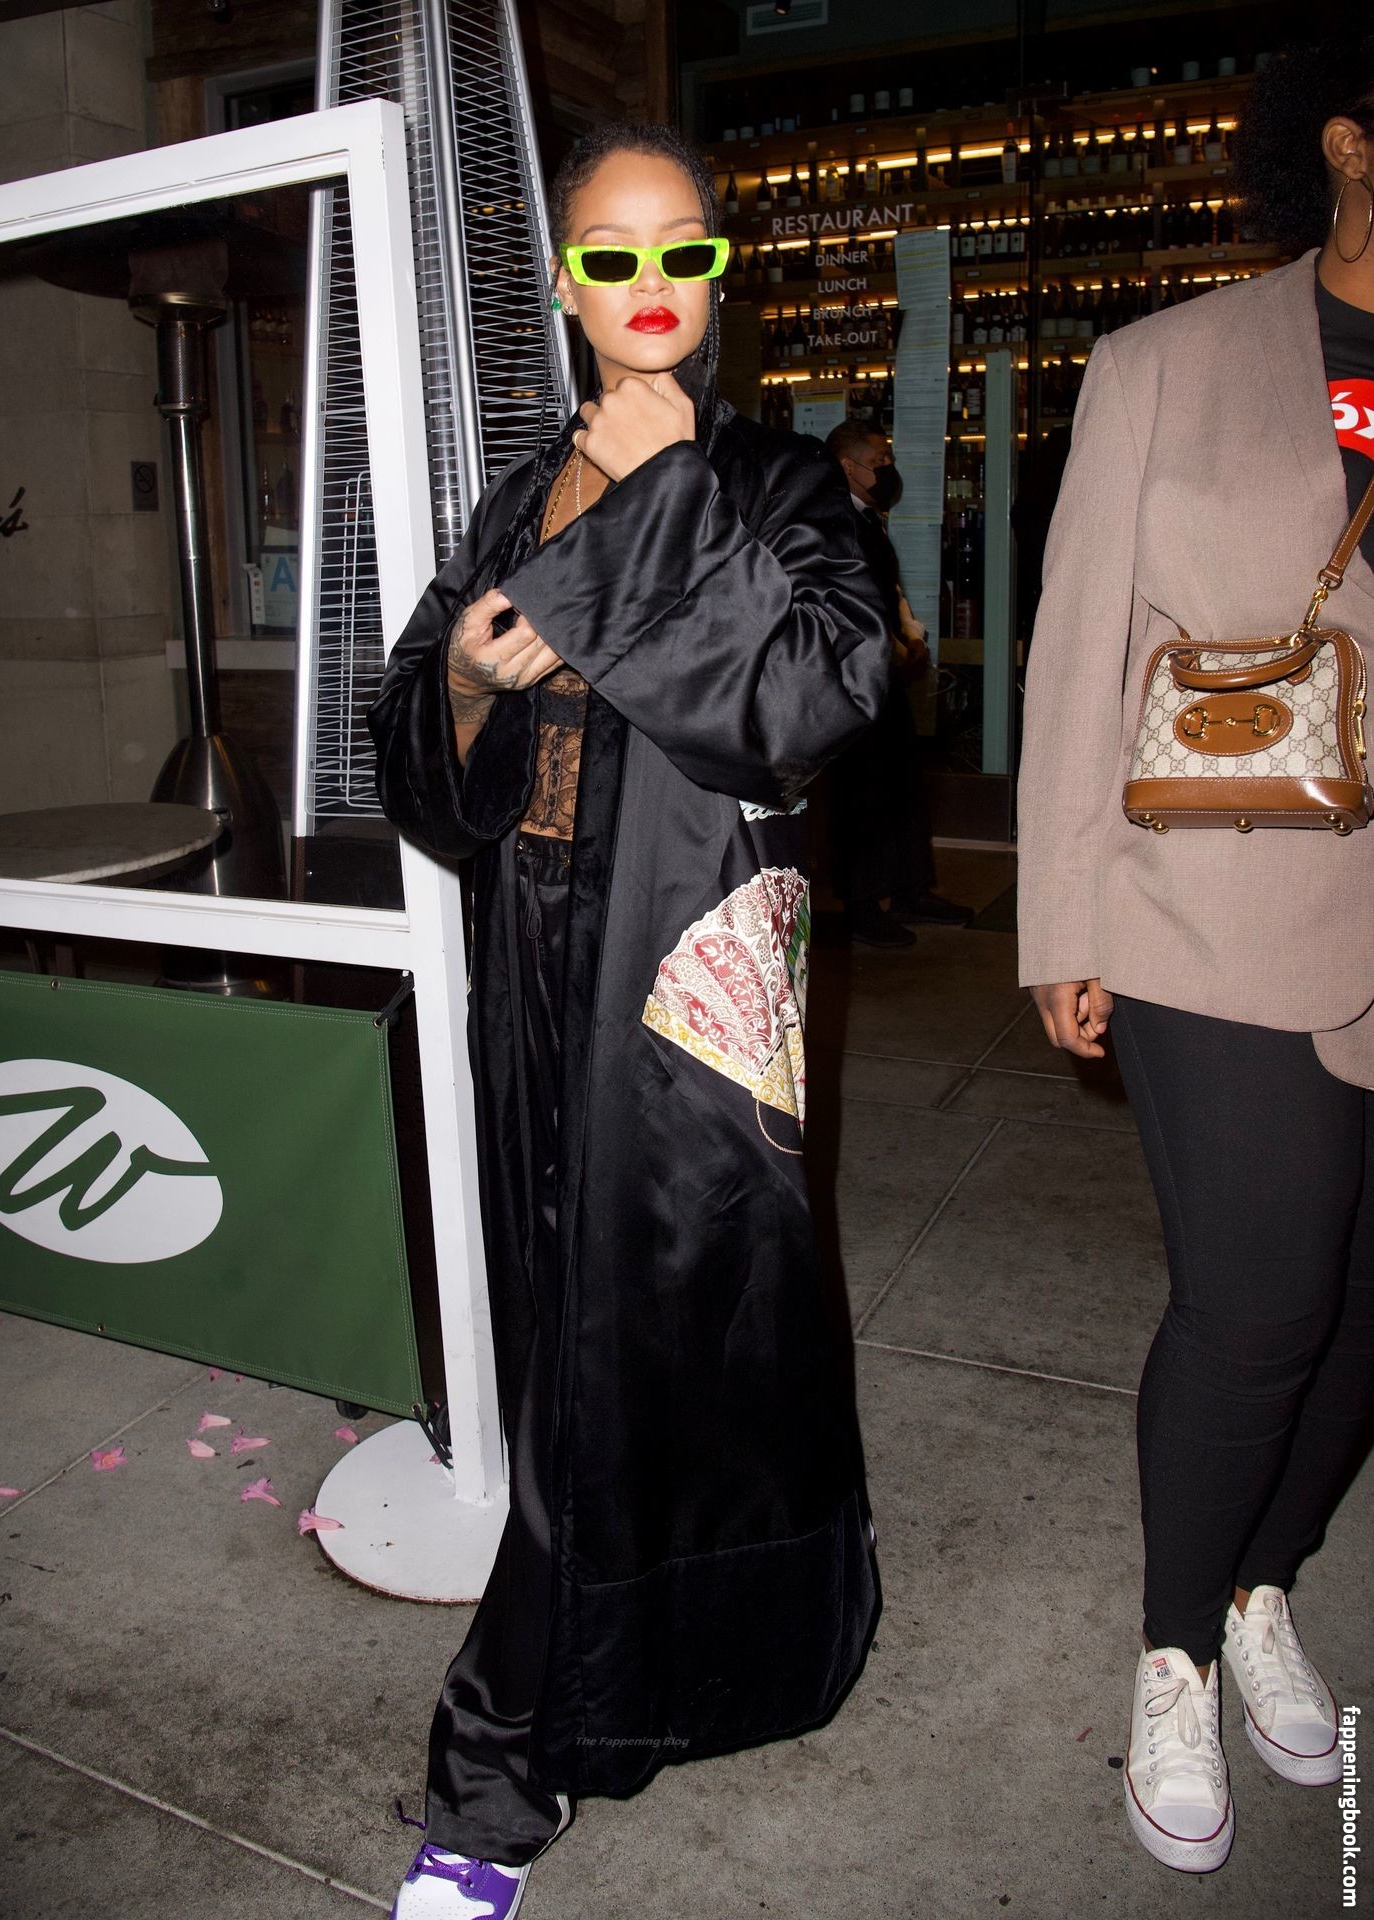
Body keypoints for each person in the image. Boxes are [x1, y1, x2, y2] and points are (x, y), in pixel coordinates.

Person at [366, 123, 889, 1919]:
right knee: (572, 1337)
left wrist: (667, 491)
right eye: (611, 254)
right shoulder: (519, 492)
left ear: (720, 273)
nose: (650, 285)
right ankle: (665, 1667)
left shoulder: (778, 478)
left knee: (681, 1324)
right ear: (568, 283)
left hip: (692, 988)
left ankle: (501, 1765)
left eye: (684, 251)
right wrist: (463, 675)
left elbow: (811, 704)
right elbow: (424, 761)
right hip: (533, 965)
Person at [1017, 31, 1374, 1877]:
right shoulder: (1168, 361)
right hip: (1211, 908)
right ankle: (1172, 1648)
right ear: (1348, 142)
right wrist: (1060, 918)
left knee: (1366, 1318)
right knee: (1260, 1310)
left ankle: (1260, 1588)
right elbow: (1081, 650)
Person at [823, 421, 971, 946]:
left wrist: (911, 635)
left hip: (885, 671)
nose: (888, 470)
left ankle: (910, 887)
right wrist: (894, 645)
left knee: (903, 781)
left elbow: (888, 590)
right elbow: (846, 600)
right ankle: (862, 904)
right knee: (864, 790)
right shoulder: (834, 521)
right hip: (855, 677)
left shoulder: (870, 520)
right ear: (848, 467)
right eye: (878, 462)